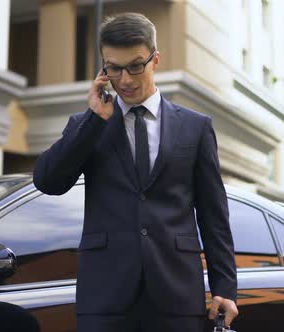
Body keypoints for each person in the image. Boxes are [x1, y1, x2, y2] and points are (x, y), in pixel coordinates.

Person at [33, 12, 238, 331]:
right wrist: (92, 120)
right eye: (113, 68)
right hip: (105, 298)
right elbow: (48, 181)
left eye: (135, 66)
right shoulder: (88, 125)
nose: (125, 79)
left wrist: (224, 287)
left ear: (156, 60)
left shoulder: (196, 128)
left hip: (177, 294)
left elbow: (213, 214)